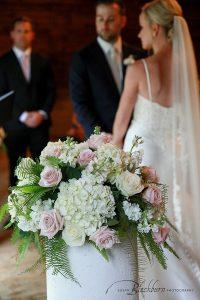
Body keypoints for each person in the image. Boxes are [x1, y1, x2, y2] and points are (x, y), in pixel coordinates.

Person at [112, 0, 200, 299]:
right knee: (172, 224)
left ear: (155, 28)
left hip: (143, 160)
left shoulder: (140, 69)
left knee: (147, 228)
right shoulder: (188, 76)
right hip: (173, 162)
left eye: (140, 27)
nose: (138, 35)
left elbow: (119, 127)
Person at [69, 0, 146, 138]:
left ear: (123, 21)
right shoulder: (82, 58)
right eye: (100, 19)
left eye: (110, 19)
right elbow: (80, 103)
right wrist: (99, 135)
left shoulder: (139, 55)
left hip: (136, 135)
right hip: (101, 140)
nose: (104, 25)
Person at [0, 17, 55, 186]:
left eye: (26, 31)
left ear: (32, 35)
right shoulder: (2, 63)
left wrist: (42, 113)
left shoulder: (43, 62)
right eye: (19, 31)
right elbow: (2, 94)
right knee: (17, 170)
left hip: (40, 125)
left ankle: (43, 207)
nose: (22, 35)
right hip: (14, 125)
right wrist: (23, 116)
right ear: (12, 35)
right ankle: (16, 209)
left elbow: (51, 91)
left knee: (44, 169)